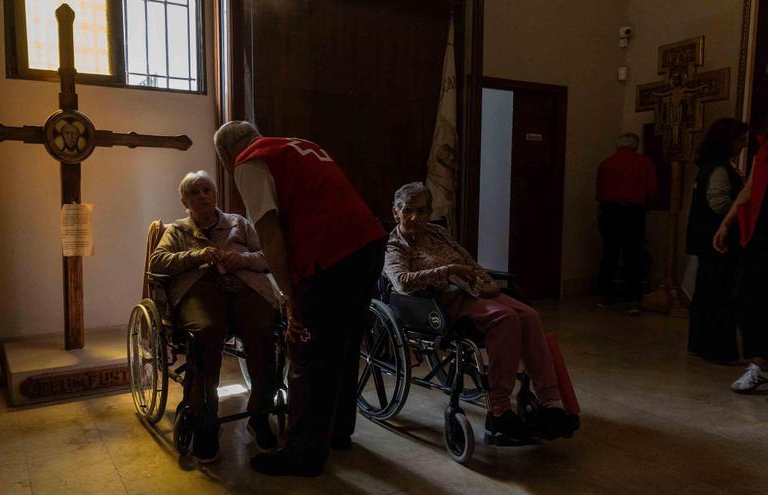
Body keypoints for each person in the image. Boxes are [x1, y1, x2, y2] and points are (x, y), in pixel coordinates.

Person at [213, 121, 387, 476]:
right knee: (343, 345)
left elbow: (270, 233)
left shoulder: (249, 161)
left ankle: (303, 452)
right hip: (369, 248)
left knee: (306, 353)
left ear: (226, 156)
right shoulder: (298, 145)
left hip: (331, 259)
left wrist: (290, 298)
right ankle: (337, 432)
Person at [384, 182, 578, 441]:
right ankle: (499, 410)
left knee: (529, 316)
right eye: (407, 210)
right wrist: (447, 271)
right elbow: (401, 281)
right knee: (505, 319)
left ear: (430, 213)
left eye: (422, 211)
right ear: (395, 212)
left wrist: (484, 280)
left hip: (472, 292)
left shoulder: (439, 234)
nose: (415, 217)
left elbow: (468, 261)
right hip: (440, 304)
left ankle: (550, 403)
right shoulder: (395, 245)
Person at [149, 170, 279, 463]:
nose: (203, 196)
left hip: (242, 286)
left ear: (216, 194)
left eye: (207, 190)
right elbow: (158, 261)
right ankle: (205, 417)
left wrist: (241, 259)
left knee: (264, 329)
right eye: (195, 192)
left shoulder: (239, 223)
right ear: (185, 200)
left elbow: (268, 256)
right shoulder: (177, 230)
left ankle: (260, 415)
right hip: (199, 290)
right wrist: (195, 256)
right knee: (206, 333)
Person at [713, 118, 768, 402]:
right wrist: (726, 223)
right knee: (746, 295)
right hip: (760, 234)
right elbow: (750, 187)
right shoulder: (765, 146)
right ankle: (761, 363)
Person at [685, 119, 748, 364]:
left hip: (705, 240)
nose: (743, 145)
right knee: (720, 296)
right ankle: (719, 349)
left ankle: (700, 344)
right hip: (718, 240)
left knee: (706, 293)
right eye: (740, 140)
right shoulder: (720, 169)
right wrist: (744, 213)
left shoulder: (708, 166)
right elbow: (719, 203)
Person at [595, 132, 658, 314]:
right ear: (636, 146)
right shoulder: (645, 163)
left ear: (617, 146)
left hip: (608, 212)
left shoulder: (606, 164)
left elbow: (599, 193)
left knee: (609, 254)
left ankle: (606, 297)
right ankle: (633, 300)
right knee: (633, 255)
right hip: (633, 212)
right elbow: (652, 191)